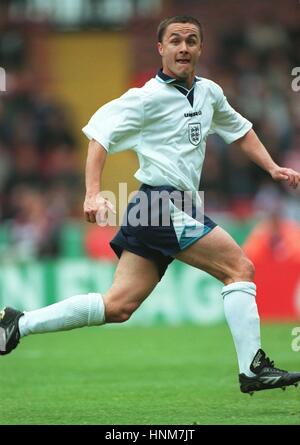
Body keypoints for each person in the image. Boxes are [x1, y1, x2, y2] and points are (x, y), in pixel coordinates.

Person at [1, 16, 300, 395]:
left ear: (200, 48)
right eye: (175, 40)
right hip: (162, 202)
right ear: (161, 49)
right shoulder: (145, 98)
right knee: (239, 268)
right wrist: (92, 193)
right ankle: (253, 368)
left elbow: (240, 129)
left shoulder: (209, 93)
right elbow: (98, 135)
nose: (183, 47)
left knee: (117, 307)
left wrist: (272, 167)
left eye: (191, 40)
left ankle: (17, 323)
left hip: (155, 208)